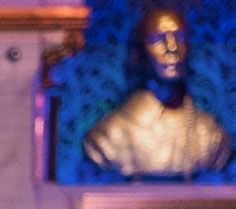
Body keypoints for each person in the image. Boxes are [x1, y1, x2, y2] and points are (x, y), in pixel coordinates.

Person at [83, 8, 230, 179]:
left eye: (179, 38)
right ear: (137, 55)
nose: (172, 48)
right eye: (159, 40)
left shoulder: (210, 133)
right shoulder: (110, 134)